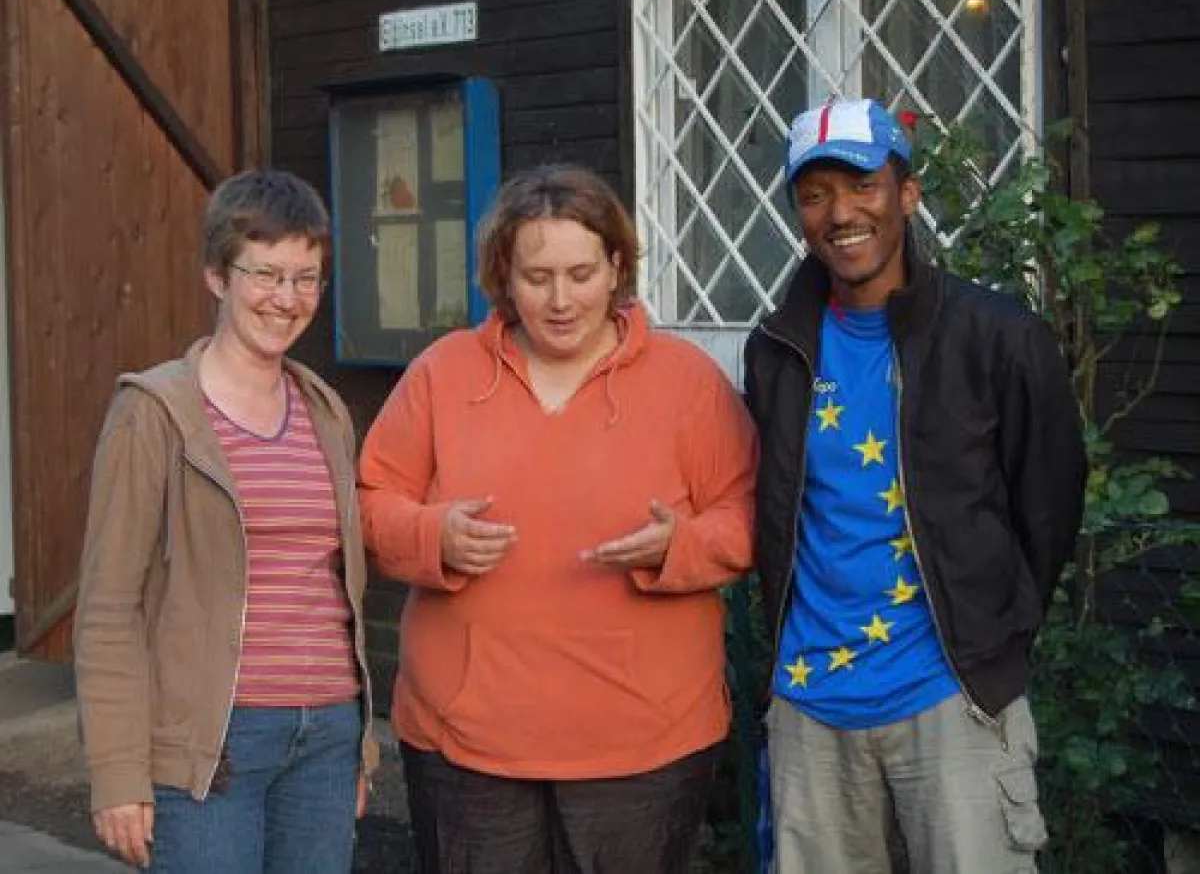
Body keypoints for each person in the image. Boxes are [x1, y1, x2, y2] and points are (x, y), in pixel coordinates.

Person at [357, 163, 757, 874]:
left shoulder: (686, 381)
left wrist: (681, 546)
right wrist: (432, 536)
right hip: (467, 740)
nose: (562, 299)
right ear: (503, 277)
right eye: (538, 276)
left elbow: (751, 515)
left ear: (617, 267)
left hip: (644, 742)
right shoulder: (443, 373)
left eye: (581, 273)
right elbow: (371, 501)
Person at [743, 99, 1087, 873]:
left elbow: (1049, 504)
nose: (840, 214)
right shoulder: (776, 349)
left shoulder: (997, 338)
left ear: (907, 194)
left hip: (953, 699)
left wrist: (993, 636)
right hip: (810, 706)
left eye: (862, 185)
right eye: (814, 194)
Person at [74, 169, 377, 873]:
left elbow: (337, 590)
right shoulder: (154, 413)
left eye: (307, 278)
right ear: (217, 275)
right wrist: (118, 771)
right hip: (213, 743)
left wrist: (355, 741)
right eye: (265, 274)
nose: (287, 298)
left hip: (325, 736)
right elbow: (109, 608)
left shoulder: (325, 410)